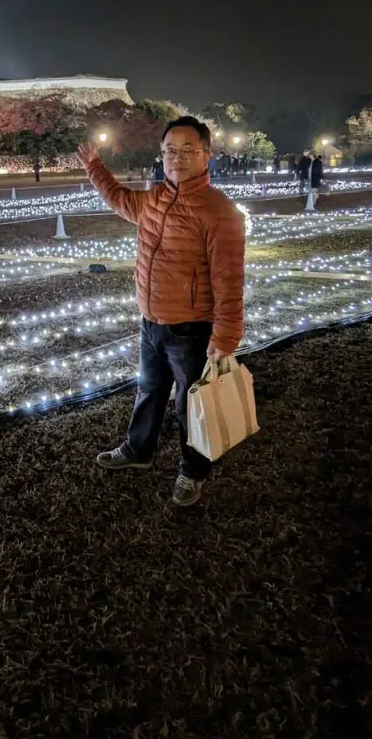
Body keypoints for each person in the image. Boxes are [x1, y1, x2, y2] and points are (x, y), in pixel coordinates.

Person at [77, 115, 245, 507]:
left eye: (188, 150)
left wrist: (225, 338)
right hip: (150, 321)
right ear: (161, 155)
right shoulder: (154, 198)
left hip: (191, 329)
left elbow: (229, 279)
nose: (177, 157)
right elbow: (119, 199)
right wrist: (94, 167)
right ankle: (139, 451)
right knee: (149, 390)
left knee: (193, 405)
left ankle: (193, 471)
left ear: (207, 154)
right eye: (170, 150)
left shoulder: (218, 211)